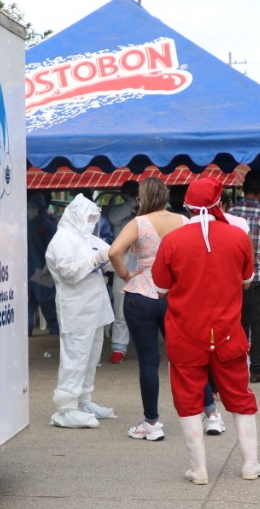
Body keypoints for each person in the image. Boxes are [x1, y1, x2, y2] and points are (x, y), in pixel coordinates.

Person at [152, 176, 260, 483]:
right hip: (228, 332)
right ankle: (250, 464)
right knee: (240, 396)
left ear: (187, 205)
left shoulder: (173, 241)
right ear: (219, 202)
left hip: (186, 332)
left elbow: (161, 287)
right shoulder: (238, 237)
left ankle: (198, 468)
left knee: (188, 398)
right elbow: (246, 281)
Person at [109, 178, 190, 441]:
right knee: (185, 357)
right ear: (166, 196)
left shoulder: (139, 223)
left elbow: (114, 252)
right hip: (175, 293)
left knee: (149, 361)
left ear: (144, 196)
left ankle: (151, 422)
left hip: (142, 291)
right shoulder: (182, 221)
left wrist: (124, 274)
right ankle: (209, 412)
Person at [44, 194, 118, 428]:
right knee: (75, 358)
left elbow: (110, 256)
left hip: (95, 308)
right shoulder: (62, 239)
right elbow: (68, 272)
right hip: (76, 310)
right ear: (76, 215)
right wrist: (96, 259)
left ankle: (84, 400)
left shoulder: (88, 238)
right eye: (89, 217)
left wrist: (107, 258)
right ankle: (66, 408)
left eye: (95, 217)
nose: (92, 222)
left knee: (90, 358)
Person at [227, 170, 260, 384]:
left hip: (233, 278)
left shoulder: (229, 212)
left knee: (235, 324)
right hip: (258, 279)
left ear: (241, 188)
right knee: (259, 325)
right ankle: (256, 369)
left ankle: (234, 367)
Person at [105, 181, 140, 364]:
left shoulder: (148, 211)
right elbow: (113, 218)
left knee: (145, 309)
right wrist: (131, 204)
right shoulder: (118, 211)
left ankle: (145, 346)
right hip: (123, 263)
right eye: (130, 195)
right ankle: (119, 347)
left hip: (144, 262)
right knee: (120, 308)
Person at [26, 193, 59, 335]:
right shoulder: (23, 224)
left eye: (34, 207)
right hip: (28, 271)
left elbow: (54, 249)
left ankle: (56, 331)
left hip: (43, 271)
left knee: (49, 304)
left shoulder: (48, 227)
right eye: (29, 207)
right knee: (26, 306)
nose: (31, 210)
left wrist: (48, 266)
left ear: (41, 208)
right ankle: (25, 333)